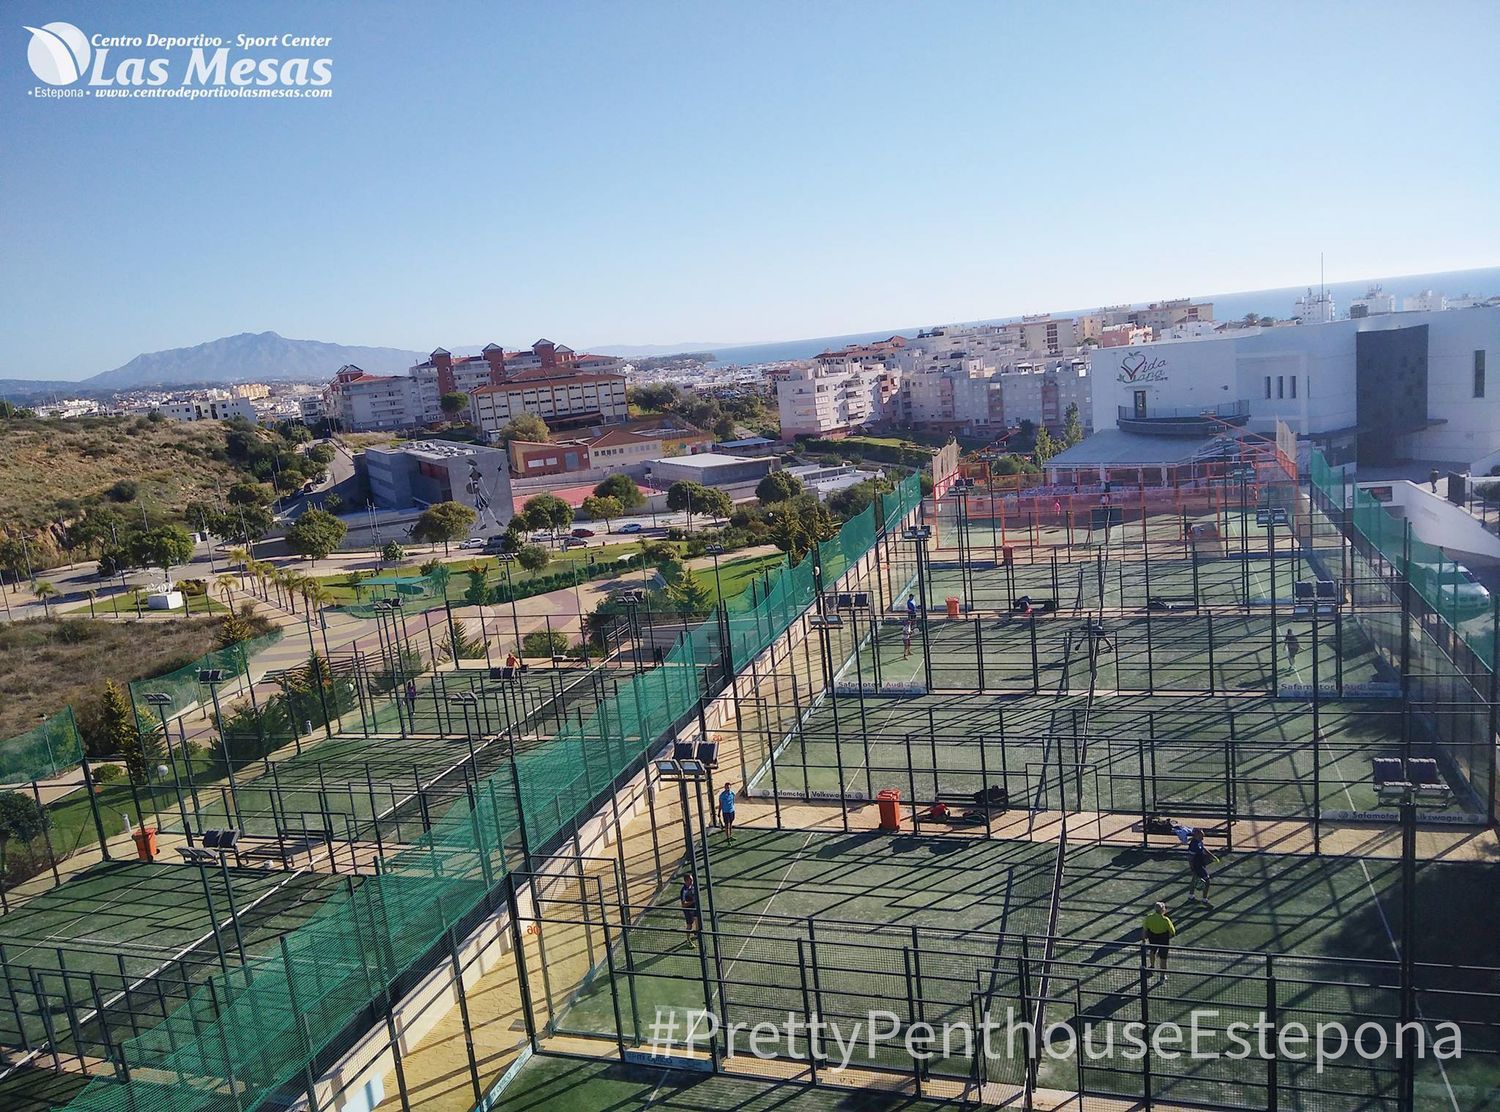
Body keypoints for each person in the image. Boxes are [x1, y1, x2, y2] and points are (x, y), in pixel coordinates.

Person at [1143, 902, 1177, 979]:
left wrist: (1144, 938)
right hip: (1163, 938)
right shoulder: (1165, 920)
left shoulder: (1149, 917)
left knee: (1152, 951)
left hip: (1152, 936)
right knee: (1163, 958)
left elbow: (1145, 929)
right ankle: (1162, 975)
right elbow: (1173, 932)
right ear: (1163, 910)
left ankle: (1152, 967)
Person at [1187, 830, 1219, 905]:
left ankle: (1190, 897)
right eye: (1201, 836)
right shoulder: (1194, 845)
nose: (1203, 838)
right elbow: (1190, 858)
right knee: (1207, 881)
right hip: (1197, 866)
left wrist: (1212, 856)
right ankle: (1204, 900)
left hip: (1200, 864)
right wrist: (1192, 869)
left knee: (1194, 879)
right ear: (1196, 835)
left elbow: (1203, 848)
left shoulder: (1199, 842)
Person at [679, 873, 701, 944]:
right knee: (689, 925)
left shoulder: (693, 886)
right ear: (686, 881)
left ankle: (697, 934)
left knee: (697, 920)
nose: (692, 881)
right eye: (691, 880)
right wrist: (693, 901)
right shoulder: (683, 891)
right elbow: (683, 904)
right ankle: (688, 939)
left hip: (694, 907)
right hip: (688, 910)